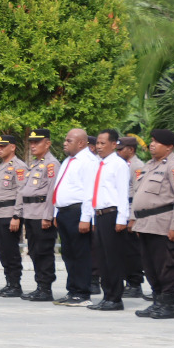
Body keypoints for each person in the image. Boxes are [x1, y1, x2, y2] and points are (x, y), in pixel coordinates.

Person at [130, 129, 174, 320]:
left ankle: (168, 305)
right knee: (150, 266)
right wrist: (136, 220)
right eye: (152, 141)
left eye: (157, 142)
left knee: (167, 266)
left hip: (164, 225)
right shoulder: (149, 165)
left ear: (169, 147)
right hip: (146, 223)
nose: (152, 144)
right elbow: (139, 195)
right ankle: (157, 302)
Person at [50, 128, 98, 306]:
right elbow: (60, 187)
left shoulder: (88, 161)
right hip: (64, 212)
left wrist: (86, 218)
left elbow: (89, 192)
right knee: (68, 254)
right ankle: (73, 290)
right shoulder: (69, 160)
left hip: (78, 212)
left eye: (68, 140)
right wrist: (56, 212)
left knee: (80, 253)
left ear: (81, 143)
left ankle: (83, 293)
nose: (64, 143)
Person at [89, 129, 132, 310]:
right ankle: (107, 295)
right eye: (97, 143)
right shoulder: (100, 164)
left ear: (114, 144)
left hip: (113, 214)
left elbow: (123, 193)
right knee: (103, 258)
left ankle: (115, 298)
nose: (98, 147)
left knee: (113, 258)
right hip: (99, 214)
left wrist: (122, 218)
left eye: (102, 143)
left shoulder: (118, 165)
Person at [18, 129, 59, 302]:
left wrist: (48, 216)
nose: (33, 145)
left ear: (47, 143)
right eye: (31, 142)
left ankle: (45, 287)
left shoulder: (51, 164)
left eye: (37, 142)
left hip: (42, 214)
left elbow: (52, 192)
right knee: (34, 251)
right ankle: (39, 285)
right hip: (30, 214)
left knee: (43, 252)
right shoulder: (34, 164)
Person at [0, 133, 26, 298]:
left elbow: (21, 191)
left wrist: (16, 216)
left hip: (10, 213)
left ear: (13, 147)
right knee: (2, 250)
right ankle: (9, 283)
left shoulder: (19, 166)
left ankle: (15, 284)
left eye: (3, 146)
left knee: (11, 251)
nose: (0, 149)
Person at [119, 136, 147, 299]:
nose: (118, 152)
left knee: (132, 251)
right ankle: (128, 281)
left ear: (131, 149)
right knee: (124, 251)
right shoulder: (123, 165)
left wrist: (133, 217)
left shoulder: (137, 166)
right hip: (123, 210)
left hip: (131, 210)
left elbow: (138, 193)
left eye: (121, 149)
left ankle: (135, 284)